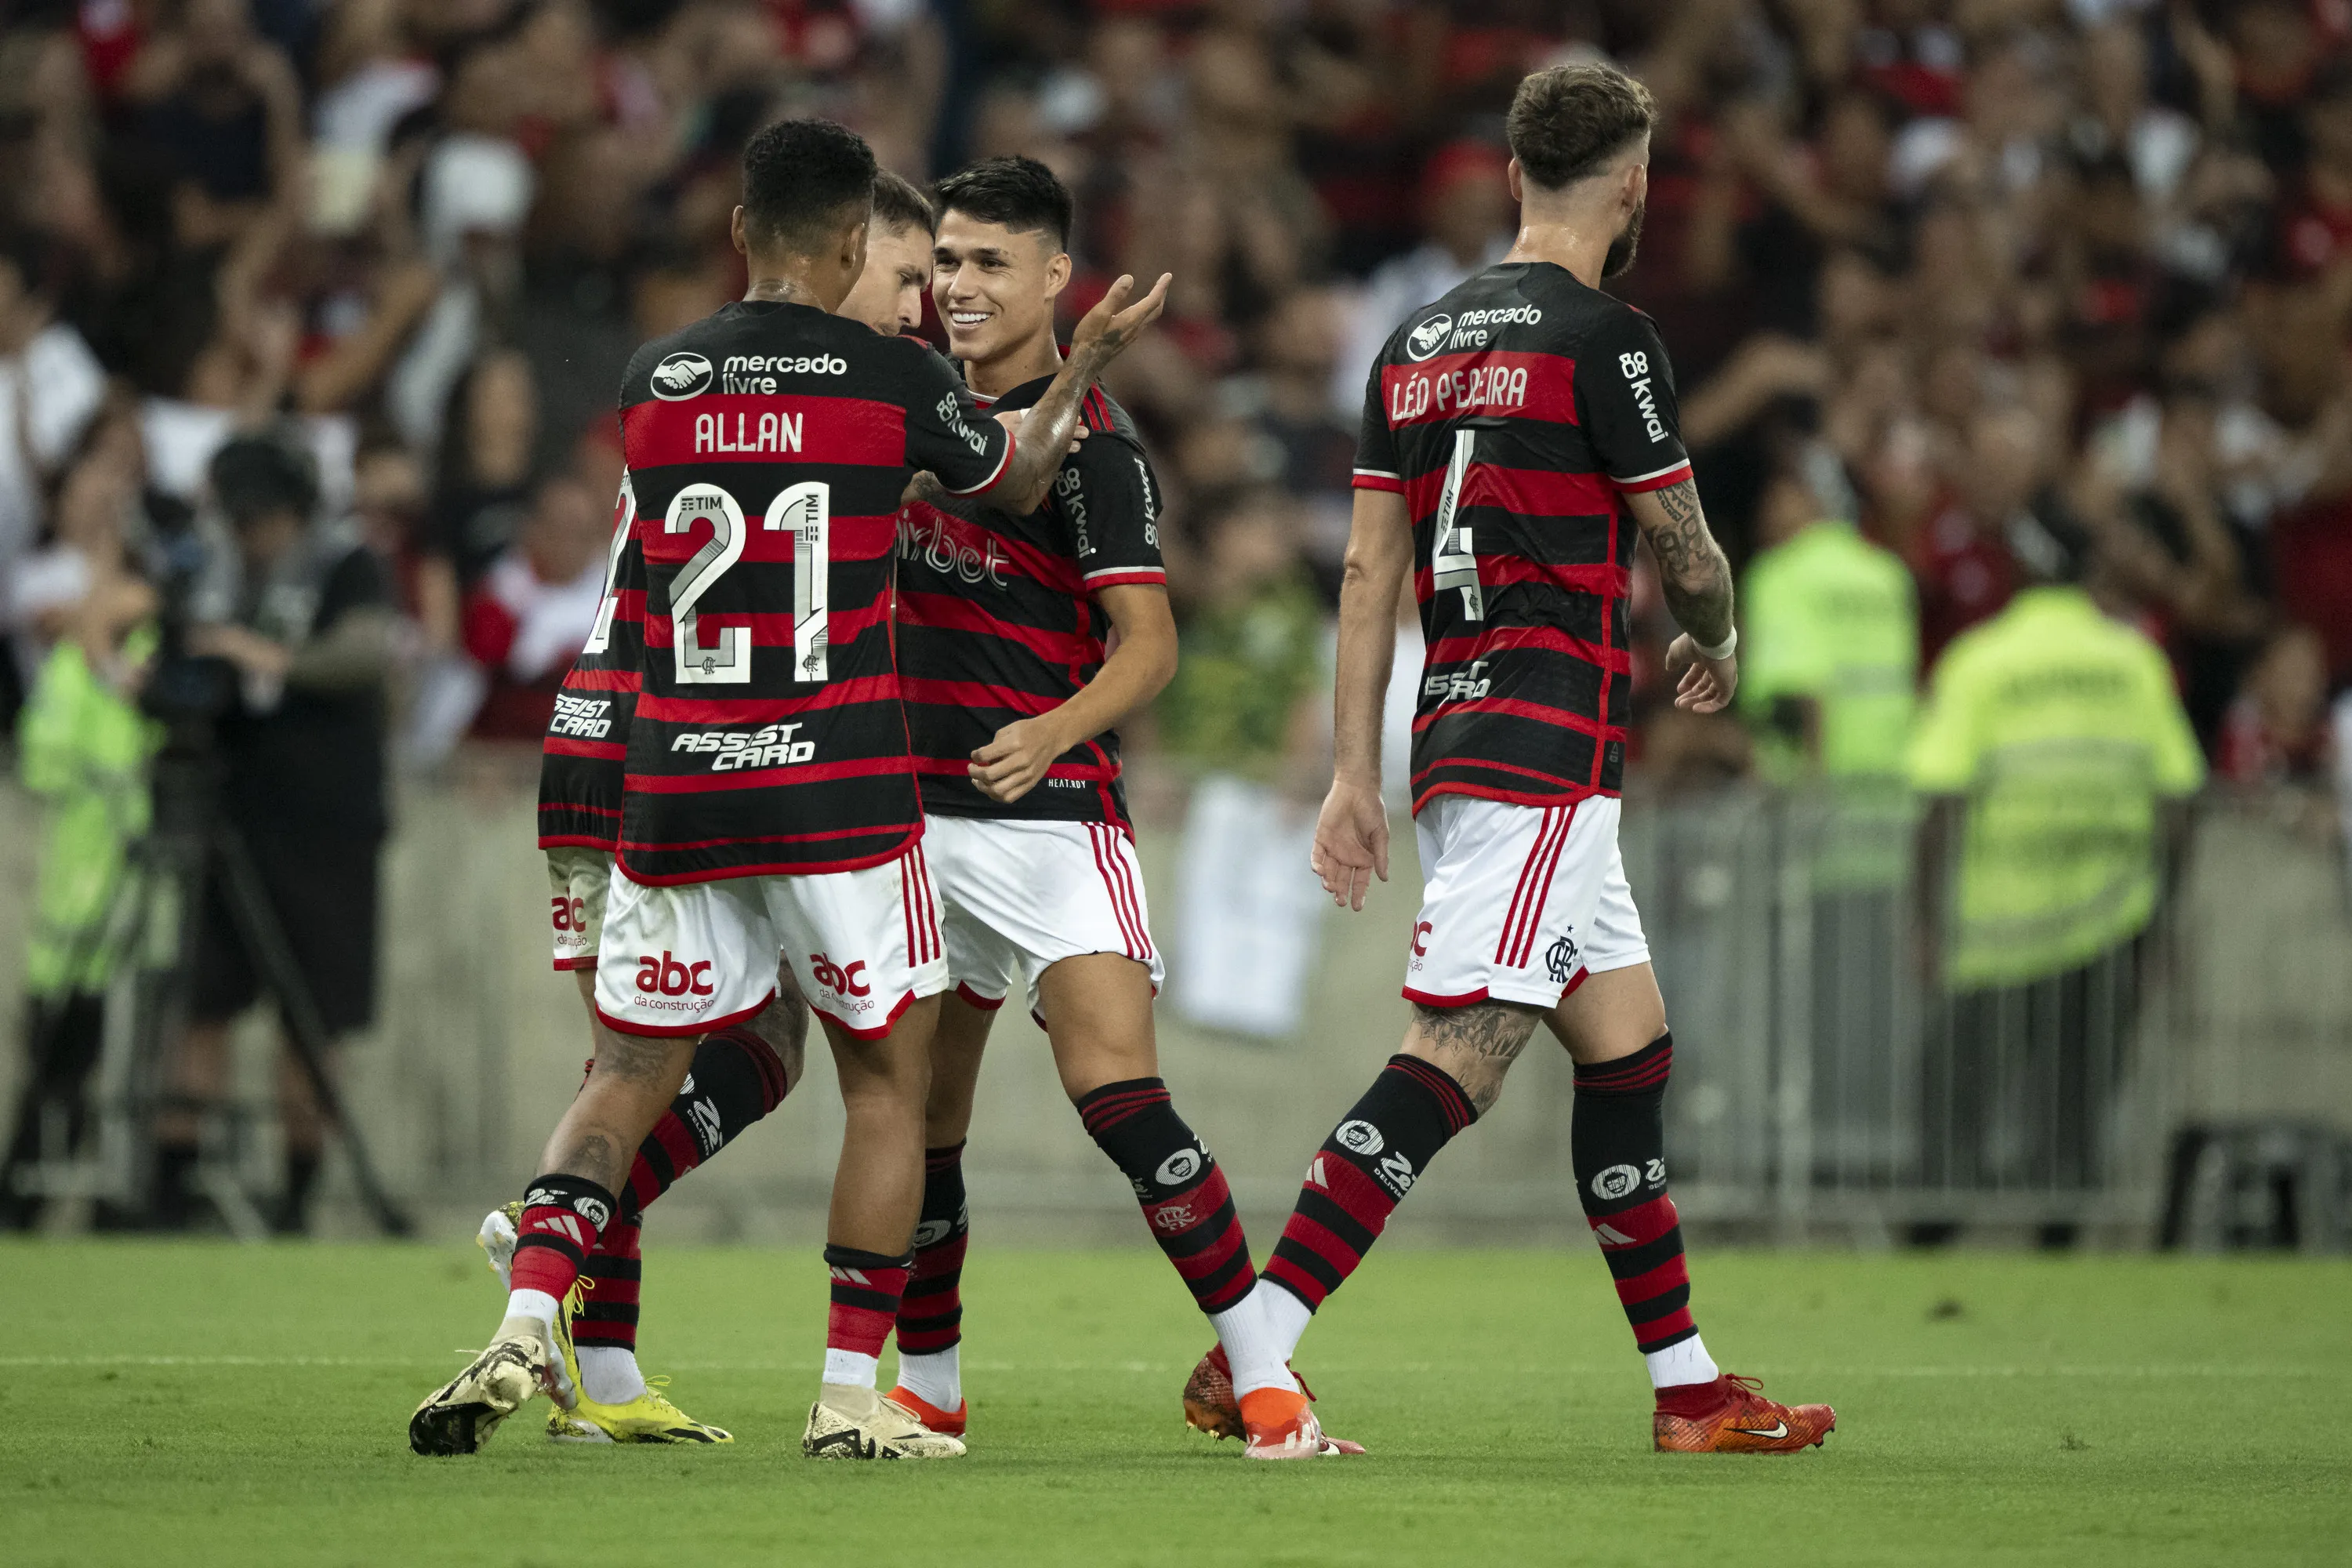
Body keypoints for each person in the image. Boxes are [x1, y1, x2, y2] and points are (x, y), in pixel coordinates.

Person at [408, 118, 1169, 1461]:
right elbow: (1025, 478)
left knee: (629, 1070)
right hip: (837, 787)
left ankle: (532, 1318)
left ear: (738, 234)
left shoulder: (654, 376)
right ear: (839, 246)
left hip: (674, 783)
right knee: (888, 1086)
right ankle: (846, 1400)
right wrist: (1090, 362)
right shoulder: (886, 379)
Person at [1251, 62, 1835, 1454]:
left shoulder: (1414, 340)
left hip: (1460, 727)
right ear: (1633, 186)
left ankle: (1689, 1392)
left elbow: (1364, 577)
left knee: (1626, 1054)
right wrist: (1724, 633)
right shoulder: (1610, 339)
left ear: (1513, 176)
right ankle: (1256, 1338)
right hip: (1545, 745)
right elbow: (1684, 547)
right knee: (1460, 1052)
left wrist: (1353, 771)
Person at [480, 167, 942, 1446]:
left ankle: (584, 1328)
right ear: (846, 252)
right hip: (693, 741)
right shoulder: (844, 388)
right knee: (789, 1059)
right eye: (907, 276)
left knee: (659, 1061)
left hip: (597, 727)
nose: (919, 308)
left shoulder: (679, 382)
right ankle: (577, 1262)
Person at [884, 156, 1331, 1457]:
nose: (959, 288)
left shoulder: (1105, 453)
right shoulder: (918, 413)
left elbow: (1150, 647)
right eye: (947, 263)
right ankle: (933, 1385)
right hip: (916, 814)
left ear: (1050, 281)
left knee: (1121, 1099)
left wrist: (1052, 728)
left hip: (1056, 814)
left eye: (987, 265)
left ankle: (1266, 1382)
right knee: (923, 1123)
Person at [1908, 512, 2205, 1220]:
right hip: (2112, 919)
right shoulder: (2134, 661)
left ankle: (1940, 1223)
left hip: (1998, 927)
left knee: (1955, 1093)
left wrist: (1922, 917)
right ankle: (2059, 1232)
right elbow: (2180, 801)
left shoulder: (1982, 658)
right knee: (2077, 1100)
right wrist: (2161, 915)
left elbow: (1940, 801)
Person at [161, 430, 397, 1235]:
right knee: (203, 1002)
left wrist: (258, 653)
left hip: (323, 827)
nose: (246, 533)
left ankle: (296, 1197)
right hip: (233, 815)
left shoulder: (346, 564)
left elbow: (365, 654)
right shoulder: (217, 572)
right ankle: (174, 1184)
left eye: (256, 517)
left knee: (312, 1018)